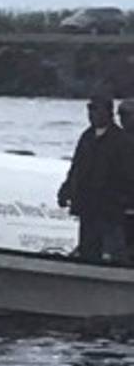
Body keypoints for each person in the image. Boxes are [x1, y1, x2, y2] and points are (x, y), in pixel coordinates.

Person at [58, 96, 134, 262]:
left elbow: (128, 176)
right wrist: (66, 189)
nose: (92, 114)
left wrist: (122, 200)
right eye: (90, 110)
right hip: (88, 207)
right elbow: (76, 168)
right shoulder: (86, 137)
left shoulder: (122, 141)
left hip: (111, 211)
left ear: (108, 113)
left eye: (96, 109)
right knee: (88, 251)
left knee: (112, 255)